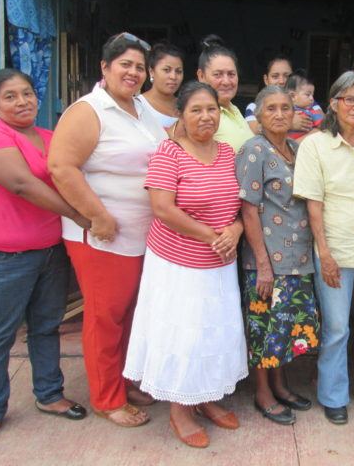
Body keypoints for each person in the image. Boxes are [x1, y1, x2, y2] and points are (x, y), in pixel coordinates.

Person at [48, 32, 168, 427]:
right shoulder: (89, 111)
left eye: (139, 67)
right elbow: (61, 167)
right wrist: (97, 216)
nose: (133, 73)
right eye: (125, 65)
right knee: (106, 317)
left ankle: (125, 381)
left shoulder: (142, 109)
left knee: (132, 314)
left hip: (143, 235)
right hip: (103, 235)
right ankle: (107, 397)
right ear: (105, 67)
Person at [0, 69, 89, 449]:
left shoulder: (52, 138)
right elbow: (22, 184)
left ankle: (50, 394)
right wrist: (79, 214)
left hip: (50, 252)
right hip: (3, 256)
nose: (22, 102)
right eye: (10, 96)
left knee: (46, 327)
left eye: (28, 94)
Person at [123, 81, 246, 449]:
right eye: (196, 110)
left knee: (213, 331)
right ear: (181, 114)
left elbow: (241, 205)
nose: (205, 116)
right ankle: (180, 408)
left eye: (211, 109)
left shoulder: (227, 153)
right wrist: (212, 236)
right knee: (186, 334)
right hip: (178, 265)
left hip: (220, 263)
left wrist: (235, 231)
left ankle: (206, 396)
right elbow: (162, 208)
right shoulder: (169, 152)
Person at [293, 71, 354, 425]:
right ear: (333, 103)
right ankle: (333, 395)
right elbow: (313, 204)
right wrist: (324, 253)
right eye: (348, 99)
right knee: (337, 326)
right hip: (335, 244)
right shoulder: (315, 144)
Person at [235, 85, 320, 426]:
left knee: (285, 328)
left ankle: (281, 384)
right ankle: (263, 392)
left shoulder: (297, 149)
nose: (281, 114)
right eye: (271, 108)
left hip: (298, 259)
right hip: (265, 262)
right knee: (264, 329)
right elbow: (248, 210)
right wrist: (264, 266)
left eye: (286, 107)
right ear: (259, 114)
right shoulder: (254, 150)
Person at [197, 34, 256, 147]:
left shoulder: (234, 109)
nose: (226, 81)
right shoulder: (199, 114)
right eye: (218, 74)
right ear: (201, 76)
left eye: (231, 74)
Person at [245, 54, 318, 135]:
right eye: (275, 76)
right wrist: (288, 124)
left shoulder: (307, 101)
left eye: (287, 76)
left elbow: (325, 125)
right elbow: (254, 131)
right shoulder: (253, 107)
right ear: (266, 80)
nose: (281, 81)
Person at [140, 42, 185, 128]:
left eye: (178, 71)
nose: (173, 76)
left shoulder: (185, 105)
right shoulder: (138, 105)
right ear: (151, 71)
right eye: (166, 70)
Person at [284, 71, 324, 141]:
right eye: (308, 95)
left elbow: (323, 125)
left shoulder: (313, 111)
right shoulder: (283, 111)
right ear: (292, 96)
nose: (312, 98)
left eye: (312, 95)